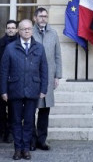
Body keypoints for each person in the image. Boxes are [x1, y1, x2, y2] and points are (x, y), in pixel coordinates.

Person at [0, 19, 48, 161]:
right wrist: (3, 91)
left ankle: (26, 149)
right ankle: (17, 149)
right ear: (18, 31)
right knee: (15, 121)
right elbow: (3, 70)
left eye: (29, 29)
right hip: (15, 89)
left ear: (32, 30)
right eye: (23, 29)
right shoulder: (10, 48)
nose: (27, 31)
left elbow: (44, 69)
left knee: (28, 121)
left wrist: (43, 88)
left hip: (33, 89)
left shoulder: (39, 47)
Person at [31, 8, 61, 151]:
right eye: (41, 16)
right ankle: (31, 139)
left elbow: (57, 56)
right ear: (35, 18)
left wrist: (57, 76)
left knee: (44, 110)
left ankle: (42, 140)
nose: (43, 19)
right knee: (31, 110)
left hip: (48, 77)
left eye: (45, 16)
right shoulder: (29, 32)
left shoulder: (53, 33)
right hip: (32, 77)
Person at [0, 20, 17, 144]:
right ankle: (2, 131)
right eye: (9, 28)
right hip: (0, 81)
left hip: (14, 82)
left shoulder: (19, 43)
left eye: (13, 27)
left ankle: (11, 132)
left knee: (13, 109)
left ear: (17, 29)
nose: (11, 30)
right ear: (6, 29)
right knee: (1, 109)